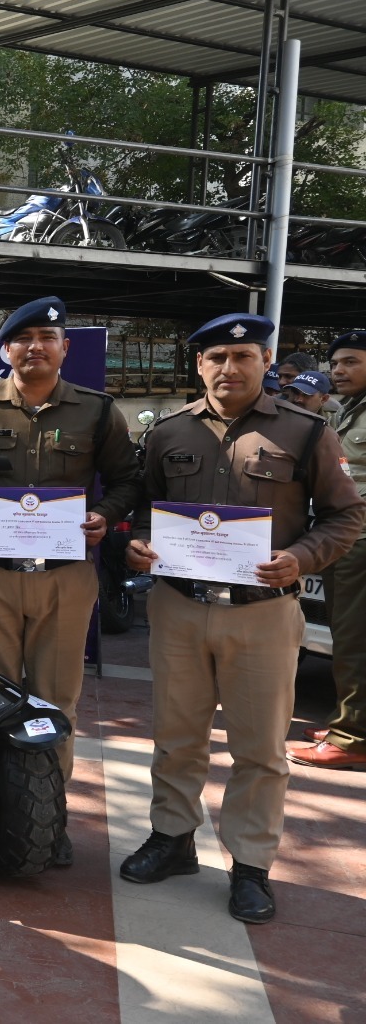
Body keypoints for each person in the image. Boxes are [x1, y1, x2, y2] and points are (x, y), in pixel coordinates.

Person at [120, 313, 363, 923]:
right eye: (217, 358)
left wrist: (299, 558)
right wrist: (139, 542)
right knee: (177, 736)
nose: (230, 368)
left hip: (261, 613)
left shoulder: (307, 431)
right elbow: (146, 508)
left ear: (264, 360)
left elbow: (346, 516)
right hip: (178, 606)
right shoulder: (169, 431)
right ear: (199, 365)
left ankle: (250, 864)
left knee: (259, 749)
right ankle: (171, 839)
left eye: (244, 356)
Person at [0, 295, 140, 867]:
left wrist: (107, 515)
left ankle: (46, 816)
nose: (35, 348)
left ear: (64, 349)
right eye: (23, 339)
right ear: (6, 350)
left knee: (57, 703)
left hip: (65, 576)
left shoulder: (98, 412)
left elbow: (127, 480)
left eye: (46, 339)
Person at [289, 331, 366, 771]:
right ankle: (350, 721)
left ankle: (352, 738)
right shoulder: (350, 410)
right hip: (344, 538)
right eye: (336, 363)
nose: (339, 370)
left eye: (351, 362)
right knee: (345, 635)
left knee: (355, 642)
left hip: (362, 541)